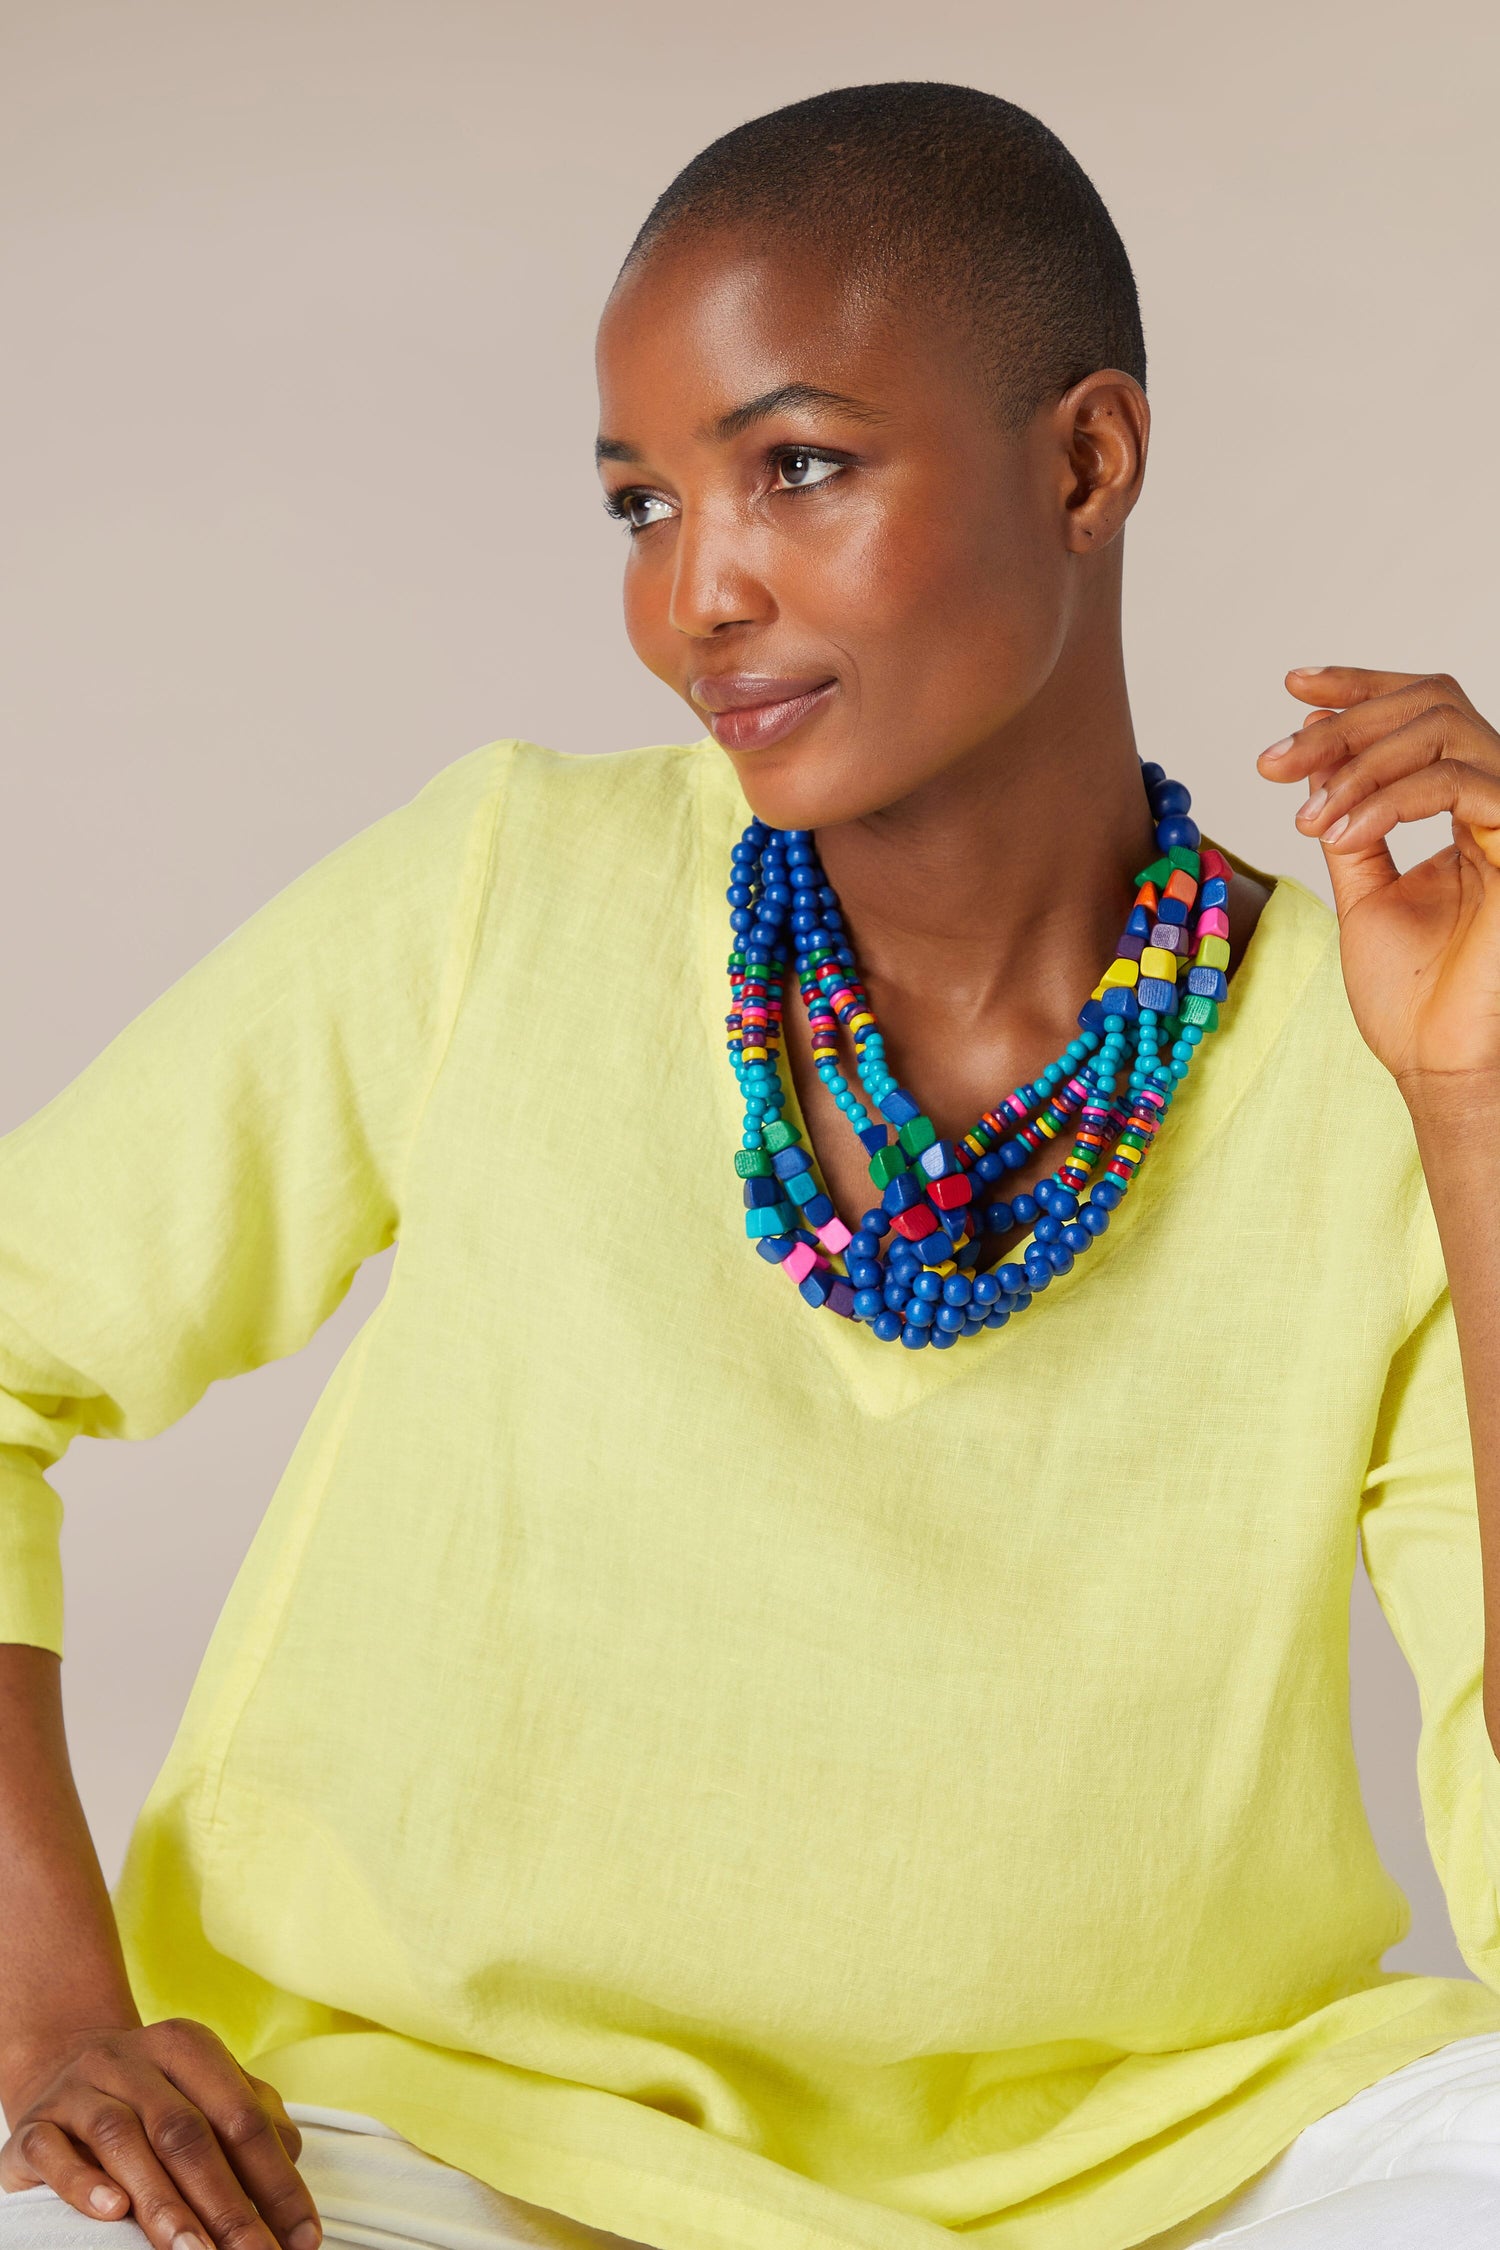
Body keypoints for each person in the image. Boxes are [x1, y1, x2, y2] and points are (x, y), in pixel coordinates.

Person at [4, 78, 1500, 2250]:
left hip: (1160, 2176)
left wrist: (1471, 1105)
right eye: (639, 505)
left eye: (796, 467)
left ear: (1085, 461)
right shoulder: (509, 886)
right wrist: (49, 2023)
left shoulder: (1364, 1065)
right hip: (427, 2143)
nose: (697, 594)